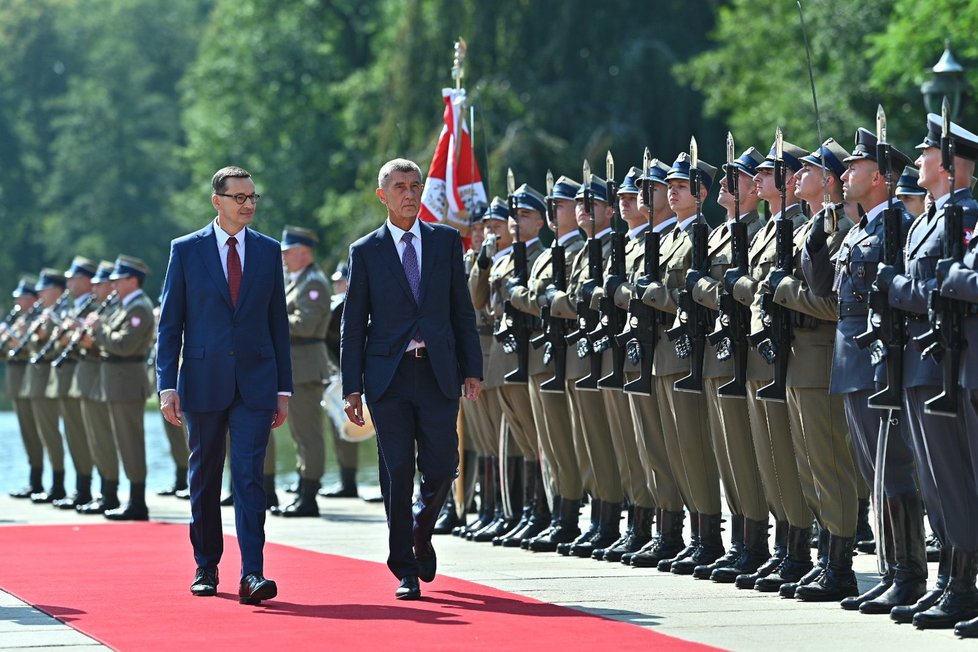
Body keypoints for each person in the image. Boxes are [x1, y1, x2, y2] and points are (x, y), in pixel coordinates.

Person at [341, 158, 482, 601]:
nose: (409, 193)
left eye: (415, 185)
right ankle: (405, 567)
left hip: (439, 370)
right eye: (400, 186)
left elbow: (462, 310)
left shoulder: (444, 242)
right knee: (397, 469)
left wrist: (472, 368)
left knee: (442, 465)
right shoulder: (366, 250)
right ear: (383, 195)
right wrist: (351, 387)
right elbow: (353, 323)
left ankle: (421, 530)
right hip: (389, 375)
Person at [157, 165, 292, 606]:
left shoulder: (269, 251)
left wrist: (283, 389)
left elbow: (278, 325)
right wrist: (166, 385)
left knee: (251, 477)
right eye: (239, 197)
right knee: (205, 476)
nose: (249, 204)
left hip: (256, 382)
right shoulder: (186, 250)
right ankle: (206, 565)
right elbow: (170, 323)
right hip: (200, 380)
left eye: (253, 197)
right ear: (217, 201)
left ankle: (252, 573)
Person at [274, 225, 331, 518]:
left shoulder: (313, 283)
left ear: (304, 253)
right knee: (299, 432)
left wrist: (272, 318)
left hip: (306, 365)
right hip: (296, 364)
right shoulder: (296, 280)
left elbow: (306, 325)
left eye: (289, 252)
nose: (284, 257)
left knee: (308, 432)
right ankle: (302, 486)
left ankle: (310, 493)